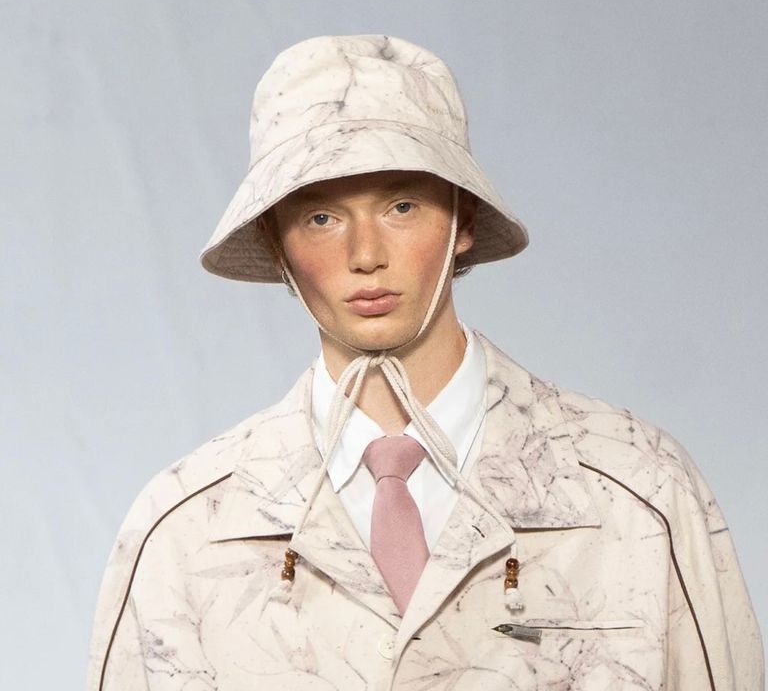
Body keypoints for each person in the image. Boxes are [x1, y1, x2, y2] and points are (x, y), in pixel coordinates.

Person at [87, 34, 763, 691]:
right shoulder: (187, 530)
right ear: (275, 242)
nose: (366, 255)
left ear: (462, 220)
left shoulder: (637, 491)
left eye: (402, 206)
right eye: (321, 218)